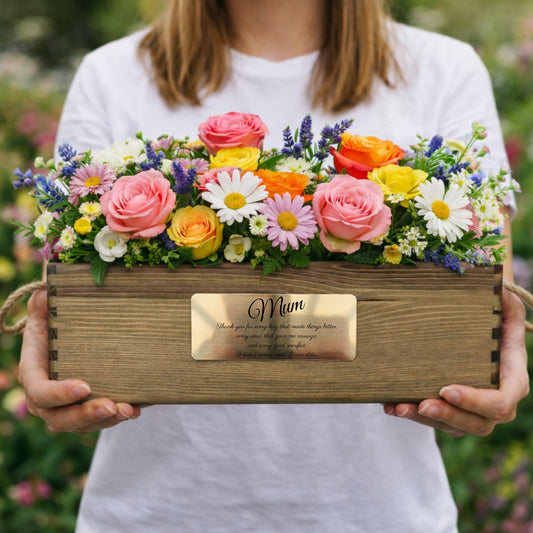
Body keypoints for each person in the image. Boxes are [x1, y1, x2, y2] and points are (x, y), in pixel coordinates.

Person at [18, 1, 529, 531]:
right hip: (155, 515)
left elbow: (484, 296)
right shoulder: (113, 74)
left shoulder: (443, 68)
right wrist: (51, 340)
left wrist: (494, 356)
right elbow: (71, 287)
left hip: (377, 515)